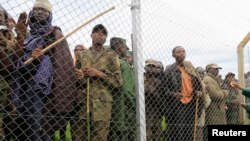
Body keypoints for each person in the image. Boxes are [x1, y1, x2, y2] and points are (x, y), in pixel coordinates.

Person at [12, 0, 77, 140]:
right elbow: (18, 63)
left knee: (40, 127)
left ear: (49, 14)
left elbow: (61, 61)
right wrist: (32, 58)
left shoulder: (55, 34)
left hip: (45, 89)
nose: (40, 12)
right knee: (24, 127)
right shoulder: (27, 36)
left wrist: (42, 59)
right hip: (24, 85)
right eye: (37, 9)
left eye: (44, 10)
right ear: (32, 12)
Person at [73, 24, 123, 141]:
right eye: (97, 31)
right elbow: (78, 80)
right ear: (91, 35)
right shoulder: (82, 55)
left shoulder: (111, 55)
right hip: (83, 101)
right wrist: (80, 77)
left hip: (102, 103)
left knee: (100, 137)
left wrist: (98, 73)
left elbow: (118, 82)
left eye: (104, 33)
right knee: (79, 135)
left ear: (105, 38)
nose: (100, 34)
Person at [163, 46, 204, 141]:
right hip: (178, 104)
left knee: (190, 130)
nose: (182, 53)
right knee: (179, 131)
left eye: (183, 51)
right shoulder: (170, 69)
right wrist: (173, 94)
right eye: (178, 52)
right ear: (173, 55)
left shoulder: (189, 69)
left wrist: (197, 92)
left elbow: (195, 85)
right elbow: (163, 88)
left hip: (191, 103)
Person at [0, 8, 27, 140]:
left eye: (1, 15)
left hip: (10, 86)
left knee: (10, 119)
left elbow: (15, 59)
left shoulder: (8, 34)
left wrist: (21, 35)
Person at [108, 37, 136, 141]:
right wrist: (135, 104)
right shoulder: (124, 64)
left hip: (109, 107)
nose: (126, 50)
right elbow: (127, 91)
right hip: (123, 108)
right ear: (120, 48)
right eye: (125, 47)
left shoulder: (108, 61)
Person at [144, 58, 164, 141]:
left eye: (153, 66)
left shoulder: (159, 81)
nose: (151, 67)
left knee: (157, 135)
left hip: (156, 112)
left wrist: (154, 94)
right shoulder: (140, 79)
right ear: (145, 67)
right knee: (147, 135)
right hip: (145, 111)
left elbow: (161, 99)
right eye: (149, 66)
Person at [195, 67, 211, 141]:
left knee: (200, 129)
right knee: (197, 130)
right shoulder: (193, 81)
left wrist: (205, 93)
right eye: (199, 73)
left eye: (202, 73)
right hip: (194, 110)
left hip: (201, 109)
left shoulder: (203, 83)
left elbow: (207, 101)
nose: (201, 75)